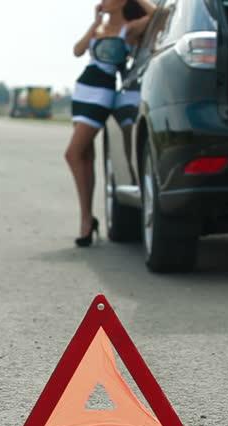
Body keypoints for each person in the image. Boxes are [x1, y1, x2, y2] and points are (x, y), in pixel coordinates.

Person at [66, 0, 155, 247]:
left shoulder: (131, 28)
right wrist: (94, 23)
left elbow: (160, 15)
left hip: (103, 93)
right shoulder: (99, 27)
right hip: (82, 90)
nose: (101, 2)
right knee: (84, 155)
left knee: (71, 154)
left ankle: (86, 219)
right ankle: (86, 219)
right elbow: (77, 50)